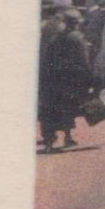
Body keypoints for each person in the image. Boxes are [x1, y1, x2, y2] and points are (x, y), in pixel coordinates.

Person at [38, 9, 96, 151]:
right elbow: (84, 62)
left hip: (52, 79)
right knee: (68, 109)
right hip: (70, 80)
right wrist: (90, 79)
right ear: (76, 24)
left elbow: (47, 60)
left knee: (50, 110)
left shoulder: (55, 38)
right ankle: (68, 138)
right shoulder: (78, 38)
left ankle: (48, 142)